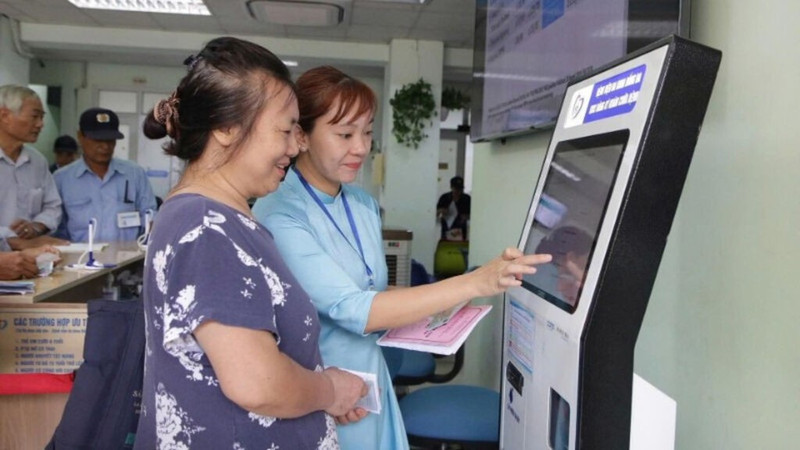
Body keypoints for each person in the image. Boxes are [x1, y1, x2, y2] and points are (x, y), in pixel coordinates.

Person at [252, 65, 552, 449]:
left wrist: (449, 298)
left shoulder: (360, 202)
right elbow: (354, 308)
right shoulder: (280, 212)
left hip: (370, 383)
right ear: (301, 136)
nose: (361, 147)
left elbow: (369, 288)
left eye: (367, 132)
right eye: (345, 134)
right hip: (319, 392)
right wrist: (474, 281)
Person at [135, 37, 366, 449]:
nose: (296, 146)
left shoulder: (219, 218)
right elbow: (257, 383)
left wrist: (314, 393)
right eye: (284, 130)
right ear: (226, 128)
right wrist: (328, 390)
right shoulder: (205, 228)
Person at [53, 107, 157, 242]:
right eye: (97, 140)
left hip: (129, 259)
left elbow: (150, 215)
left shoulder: (134, 174)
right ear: (80, 137)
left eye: (110, 140)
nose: (105, 146)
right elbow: (57, 228)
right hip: (80, 260)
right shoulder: (62, 179)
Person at [0, 85, 63, 246]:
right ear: (5, 115)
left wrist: (36, 227)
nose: (40, 124)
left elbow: (53, 206)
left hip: (32, 261)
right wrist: (13, 239)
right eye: (34, 117)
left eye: (42, 118)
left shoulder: (37, 161)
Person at [436, 175, 471, 240]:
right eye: (456, 189)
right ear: (451, 187)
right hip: (447, 229)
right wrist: (442, 211)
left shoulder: (467, 199)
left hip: (461, 230)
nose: (458, 191)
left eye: (460, 189)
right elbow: (436, 213)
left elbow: (473, 215)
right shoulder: (444, 198)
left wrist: (466, 216)